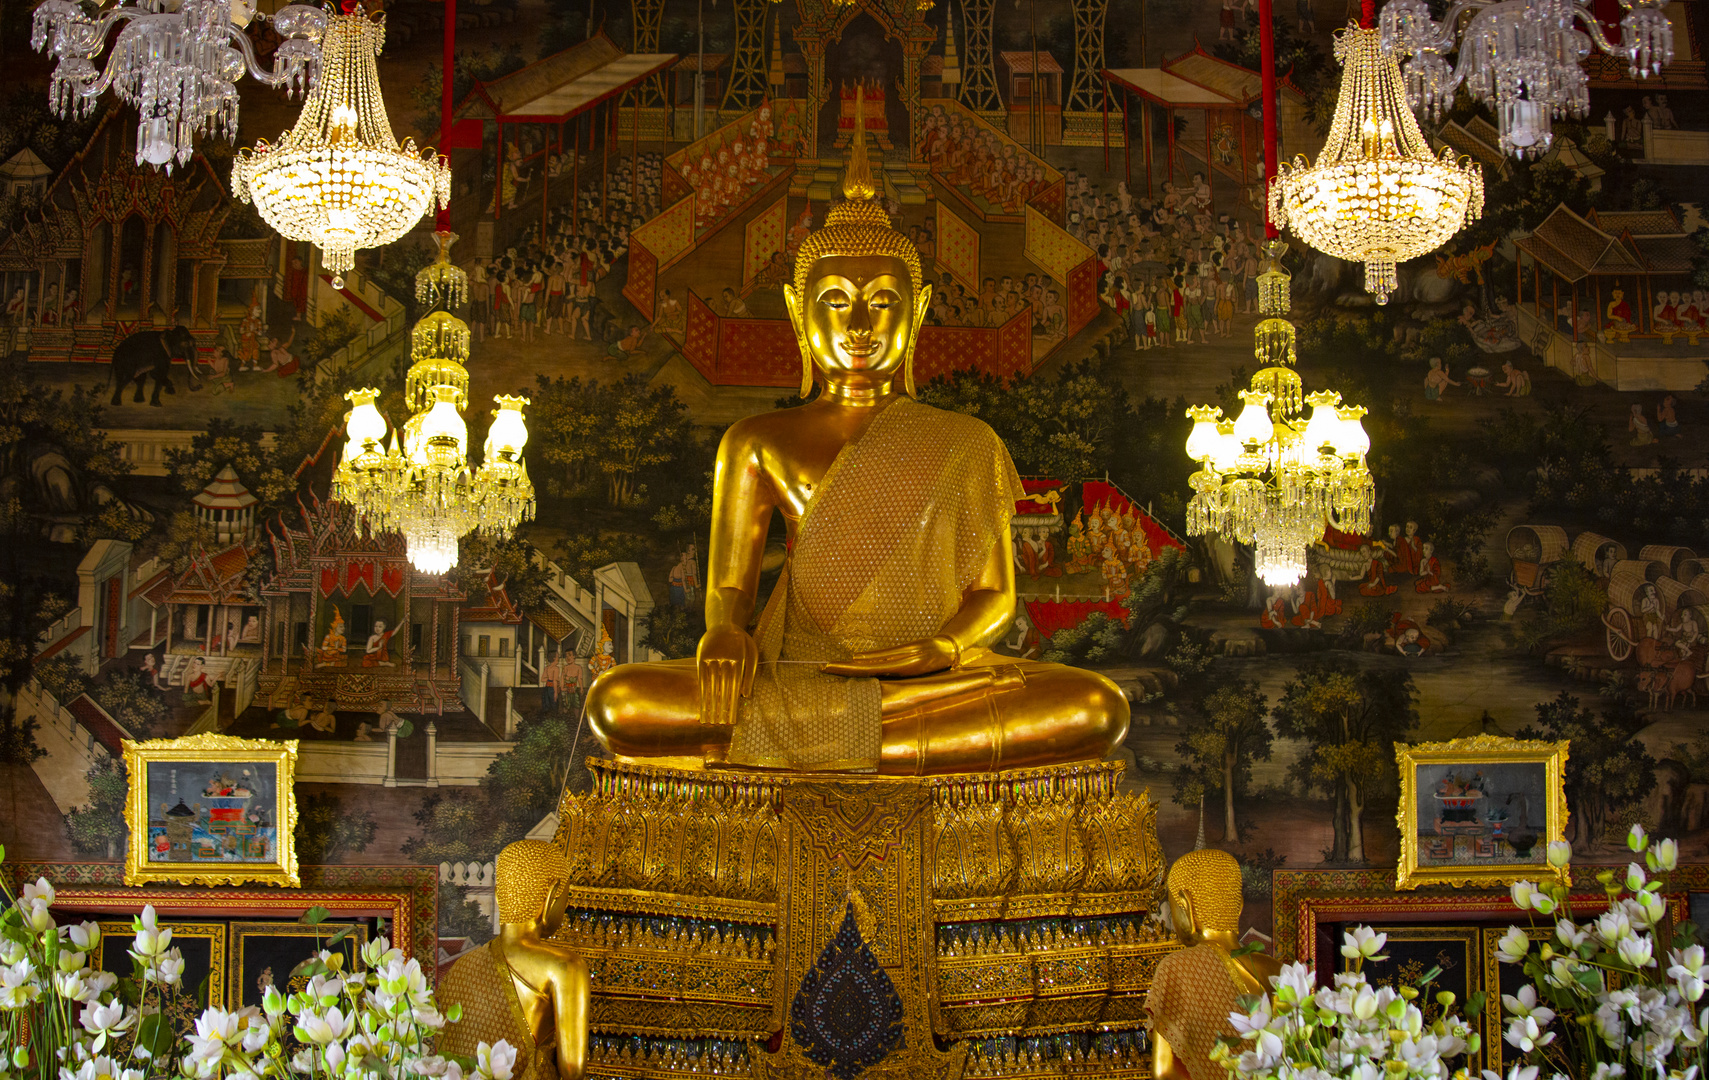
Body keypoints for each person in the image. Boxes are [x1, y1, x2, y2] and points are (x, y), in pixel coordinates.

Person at [582, 94, 1128, 775]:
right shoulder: (757, 440)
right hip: (797, 675)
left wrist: (946, 651)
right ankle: (875, 747)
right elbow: (730, 588)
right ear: (797, 312)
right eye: (835, 301)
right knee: (620, 702)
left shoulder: (968, 439)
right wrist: (723, 633)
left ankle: (838, 745)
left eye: (882, 303)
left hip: (928, 686)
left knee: (1092, 705)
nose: (860, 325)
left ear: (919, 310)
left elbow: (994, 596)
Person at [437, 841, 590, 1080]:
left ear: (499, 896)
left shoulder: (461, 967)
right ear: (551, 897)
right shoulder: (565, 967)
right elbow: (574, 1070)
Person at [1146, 850, 1281, 1080]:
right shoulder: (1276, 970)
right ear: (1238, 906)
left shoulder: (1176, 969)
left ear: (1186, 906)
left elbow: (1164, 1072)